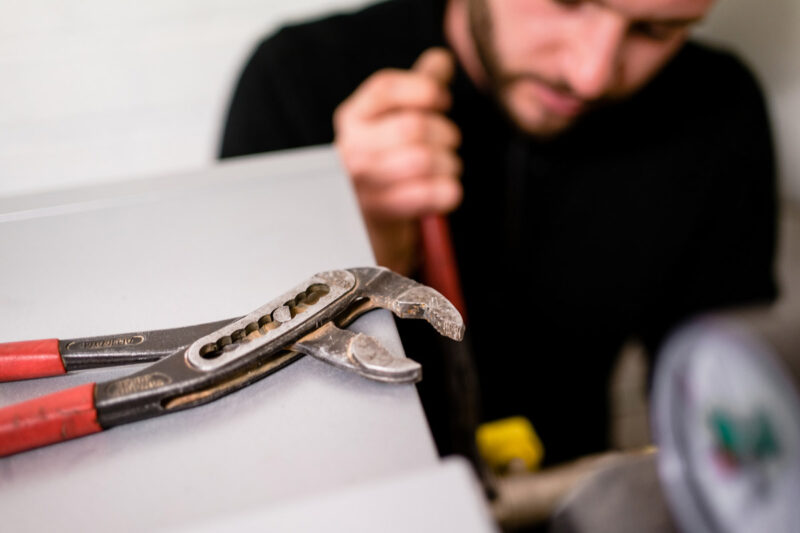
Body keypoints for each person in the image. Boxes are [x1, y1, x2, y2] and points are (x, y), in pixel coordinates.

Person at [219, 0, 778, 464]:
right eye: (568, 1)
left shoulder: (718, 110)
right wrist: (356, 245)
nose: (590, 74)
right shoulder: (294, 80)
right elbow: (239, 412)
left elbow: (724, 399)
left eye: (655, 31)